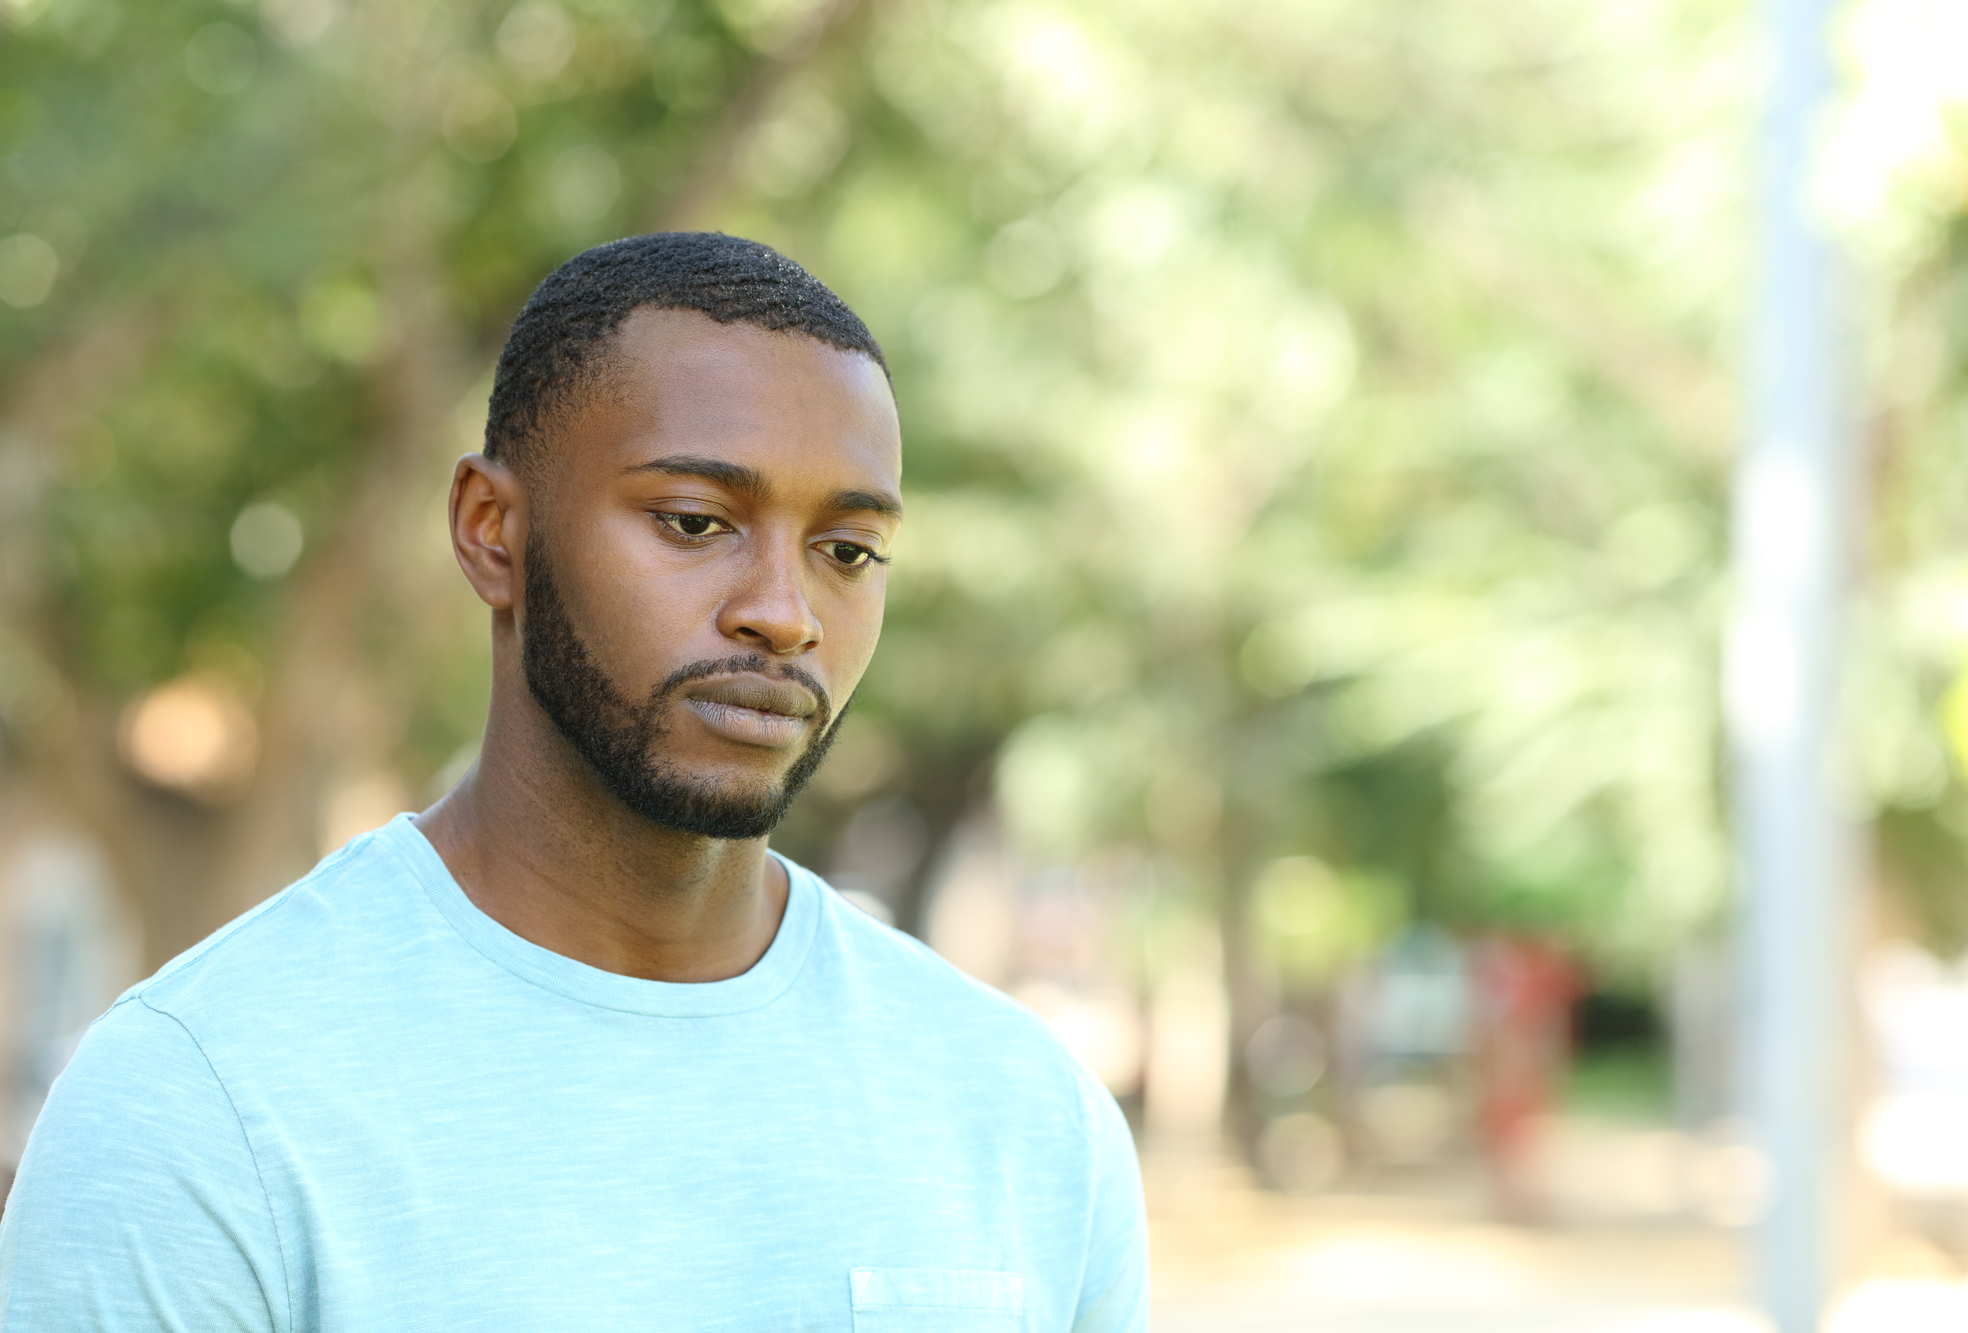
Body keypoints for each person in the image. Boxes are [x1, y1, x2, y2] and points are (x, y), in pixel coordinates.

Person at [0, 233, 1148, 1331]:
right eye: (695, 521)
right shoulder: (202, 1103)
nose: (784, 612)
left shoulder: (1022, 1116)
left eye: (845, 551)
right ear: (493, 531)